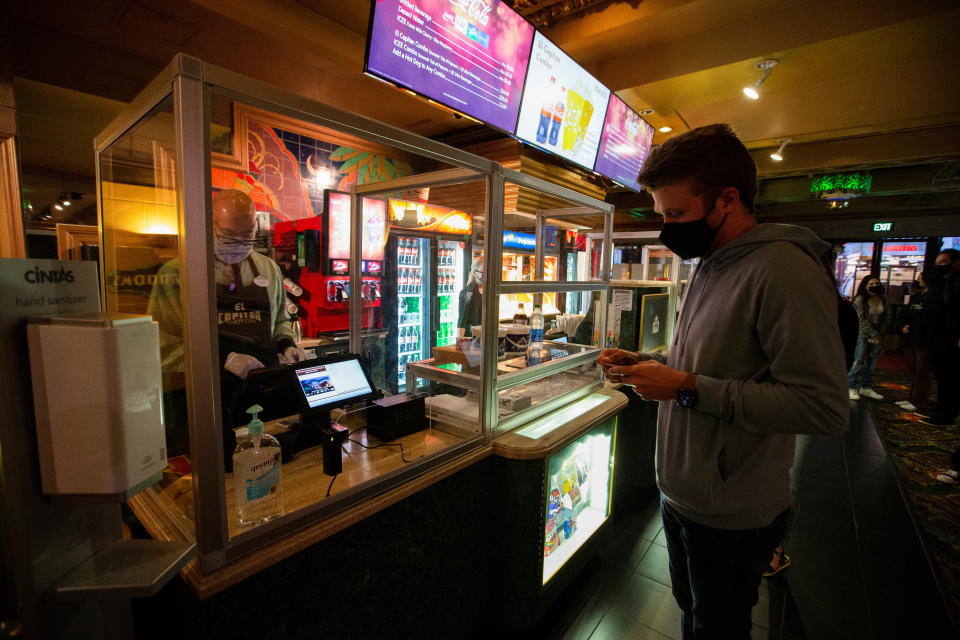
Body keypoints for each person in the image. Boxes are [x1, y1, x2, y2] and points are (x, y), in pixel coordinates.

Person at [598, 124, 848, 639]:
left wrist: (685, 386)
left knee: (718, 626)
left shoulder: (783, 270)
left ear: (727, 200)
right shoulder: (712, 262)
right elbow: (714, 360)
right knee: (693, 611)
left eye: (676, 214)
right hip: (683, 494)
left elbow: (822, 407)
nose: (668, 227)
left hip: (732, 513)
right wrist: (649, 361)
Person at [149, 189, 307, 437]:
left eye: (247, 235)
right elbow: (162, 343)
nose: (239, 243)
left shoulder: (268, 268)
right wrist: (223, 358)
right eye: (229, 235)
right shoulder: (178, 273)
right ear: (209, 225)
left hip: (262, 390)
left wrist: (287, 344)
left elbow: (279, 321)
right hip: (206, 396)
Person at [922, 248, 960, 426]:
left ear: (956, 264)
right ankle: (940, 408)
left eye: (943, 263)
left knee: (949, 377)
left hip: (950, 338)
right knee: (939, 375)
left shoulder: (957, 284)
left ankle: (947, 413)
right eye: (937, 262)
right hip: (934, 336)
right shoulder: (937, 283)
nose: (938, 266)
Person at [847, 275, 890, 401]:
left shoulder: (883, 300)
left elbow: (887, 318)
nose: (874, 286)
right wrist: (873, 334)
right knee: (859, 362)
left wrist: (880, 334)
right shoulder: (860, 300)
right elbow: (860, 320)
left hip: (878, 334)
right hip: (863, 334)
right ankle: (851, 386)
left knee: (872, 364)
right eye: (871, 284)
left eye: (876, 283)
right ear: (865, 286)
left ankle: (866, 387)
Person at [895, 272, 932, 412]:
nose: (917, 280)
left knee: (922, 371)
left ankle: (919, 400)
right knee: (913, 369)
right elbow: (904, 314)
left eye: (920, 278)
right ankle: (912, 397)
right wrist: (902, 325)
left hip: (924, 339)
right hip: (910, 337)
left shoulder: (934, 298)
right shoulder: (916, 296)